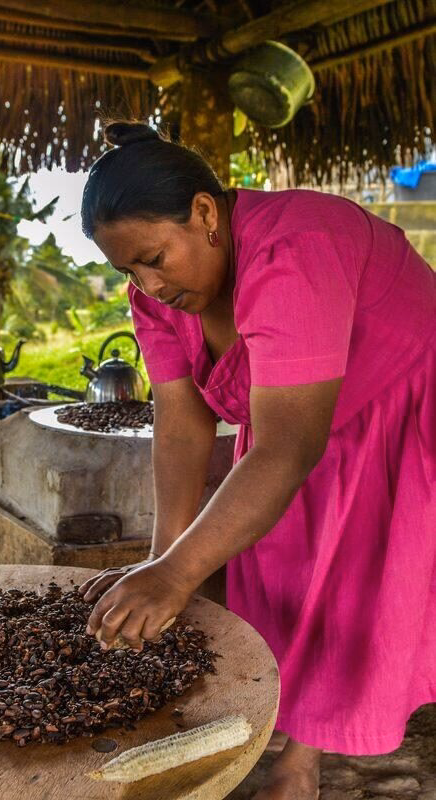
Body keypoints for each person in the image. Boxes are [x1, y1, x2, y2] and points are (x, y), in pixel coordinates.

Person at [77, 120, 436, 800]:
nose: (147, 284)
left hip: (401, 408)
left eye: (155, 257)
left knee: (360, 587)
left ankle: (302, 763)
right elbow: (182, 421)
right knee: (280, 576)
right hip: (293, 430)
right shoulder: (157, 298)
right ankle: (294, 737)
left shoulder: (297, 246)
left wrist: (179, 574)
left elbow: (288, 447)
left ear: (206, 214)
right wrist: (163, 561)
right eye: (128, 270)